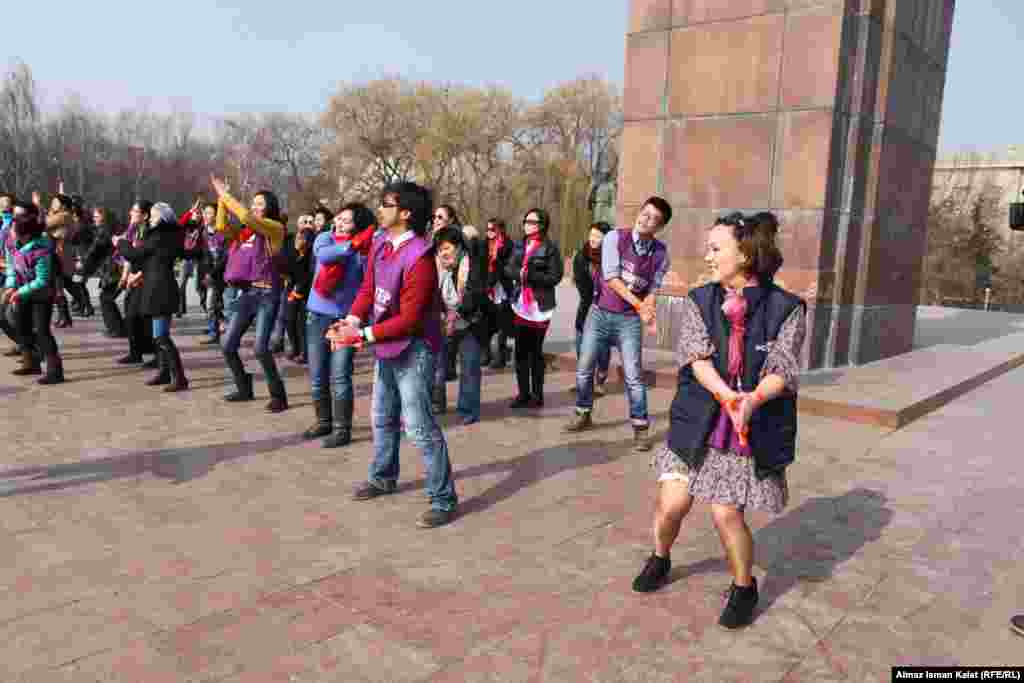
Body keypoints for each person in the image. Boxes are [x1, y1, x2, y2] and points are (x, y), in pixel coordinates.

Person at [631, 211, 805, 631]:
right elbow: (696, 357)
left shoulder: (786, 308)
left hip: (744, 425)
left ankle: (744, 587)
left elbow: (782, 368)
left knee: (726, 514)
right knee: (671, 505)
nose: (707, 257)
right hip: (698, 415)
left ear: (744, 254)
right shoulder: (700, 300)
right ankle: (660, 556)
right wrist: (727, 396)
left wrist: (751, 400)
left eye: (715, 248)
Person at [328, 181, 457, 528]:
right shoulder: (381, 243)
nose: (380, 209)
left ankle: (443, 498)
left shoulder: (421, 258)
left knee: (418, 426)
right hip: (387, 343)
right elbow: (368, 289)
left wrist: (361, 335)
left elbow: (410, 319)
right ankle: (383, 476)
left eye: (386, 204)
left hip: (415, 348)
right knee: (382, 417)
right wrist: (351, 321)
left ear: (406, 213)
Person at [565, 198, 673, 453]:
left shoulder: (661, 254)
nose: (645, 220)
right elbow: (612, 278)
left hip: (628, 321)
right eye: (644, 213)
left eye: (653, 219)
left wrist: (648, 308)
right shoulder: (615, 238)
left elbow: (653, 287)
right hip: (599, 313)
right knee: (584, 368)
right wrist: (640, 305)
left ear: (660, 227)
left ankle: (640, 427)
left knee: (634, 375)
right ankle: (583, 411)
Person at [211, 176, 289, 412]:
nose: (255, 206)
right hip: (248, 292)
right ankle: (243, 386)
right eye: (253, 203)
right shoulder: (247, 233)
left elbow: (245, 216)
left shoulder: (275, 228)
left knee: (260, 348)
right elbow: (221, 227)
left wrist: (225, 195)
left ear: (270, 207)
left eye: (260, 203)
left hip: (268, 293)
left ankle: (278, 396)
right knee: (227, 344)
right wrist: (221, 201)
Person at [303, 203, 375, 447]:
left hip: (346, 319)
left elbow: (368, 282)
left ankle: (342, 429)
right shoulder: (325, 238)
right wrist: (351, 245)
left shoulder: (365, 250)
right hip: (317, 315)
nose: (340, 223)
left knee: (341, 375)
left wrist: (359, 248)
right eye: (339, 218)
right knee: (317, 374)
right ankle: (323, 421)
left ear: (358, 225)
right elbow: (324, 256)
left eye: (347, 220)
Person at [113, 203, 189, 391]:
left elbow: (134, 255)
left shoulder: (158, 236)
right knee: (159, 336)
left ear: (161, 218)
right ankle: (164, 372)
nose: (151, 219)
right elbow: (151, 261)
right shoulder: (167, 235)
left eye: (154, 216)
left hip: (160, 291)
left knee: (162, 337)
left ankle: (179, 377)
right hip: (160, 288)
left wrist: (120, 243)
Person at [505, 208, 563, 409]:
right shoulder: (519, 245)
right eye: (526, 221)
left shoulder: (550, 248)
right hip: (520, 304)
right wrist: (518, 274)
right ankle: (523, 394)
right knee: (520, 351)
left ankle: (537, 395)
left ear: (542, 225)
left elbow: (554, 277)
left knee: (535, 351)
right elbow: (509, 268)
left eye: (532, 222)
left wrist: (529, 275)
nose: (527, 225)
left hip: (540, 306)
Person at [4, 202, 64, 384]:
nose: (10, 232)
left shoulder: (41, 250)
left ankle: (55, 371)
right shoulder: (14, 245)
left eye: (13, 229)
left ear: (25, 232)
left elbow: (42, 280)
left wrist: (19, 292)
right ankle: (30, 362)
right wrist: (11, 286)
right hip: (23, 292)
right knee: (21, 327)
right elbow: (12, 268)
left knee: (42, 330)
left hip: (41, 295)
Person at [435, 225, 488, 424]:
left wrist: (456, 313)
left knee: (469, 366)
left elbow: (475, 293)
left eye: (447, 248)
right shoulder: (440, 267)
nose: (443, 253)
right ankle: (435, 402)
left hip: (471, 321)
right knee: (437, 365)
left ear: (458, 247)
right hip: (445, 321)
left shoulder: (473, 263)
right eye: (440, 249)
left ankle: (468, 409)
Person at [571, 221, 614, 396]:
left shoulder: (612, 257)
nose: (593, 239)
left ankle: (601, 379)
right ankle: (585, 382)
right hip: (587, 307)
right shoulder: (581, 257)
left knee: (602, 349)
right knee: (581, 346)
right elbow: (582, 287)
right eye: (591, 235)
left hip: (606, 310)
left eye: (597, 236)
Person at [117, 200, 158, 367]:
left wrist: (138, 275)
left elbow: (150, 258)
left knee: (146, 318)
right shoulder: (134, 230)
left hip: (146, 279)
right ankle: (135, 352)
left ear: (145, 215)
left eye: (135, 211)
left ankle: (157, 355)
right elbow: (129, 256)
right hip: (135, 279)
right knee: (131, 316)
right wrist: (125, 276)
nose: (131, 213)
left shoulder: (150, 233)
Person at [79, 207, 126, 338]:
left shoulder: (104, 231)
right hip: (114, 268)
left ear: (103, 217)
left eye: (97, 216)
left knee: (106, 298)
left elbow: (95, 250)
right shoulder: (110, 228)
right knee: (107, 298)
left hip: (113, 269)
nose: (94, 219)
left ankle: (116, 329)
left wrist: (82, 263)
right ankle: (118, 328)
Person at [483, 217, 513, 369]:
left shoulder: (507, 245)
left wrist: (496, 258)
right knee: (487, 323)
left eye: (492, 229)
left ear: (500, 230)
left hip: (501, 288)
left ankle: (500, 357)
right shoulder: (485, 244)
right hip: (488, 287)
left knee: (502, 325)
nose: (489, 232)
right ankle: (486, 354)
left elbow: (504, 267)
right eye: (487, 229)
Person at [196, 202, 227, 345]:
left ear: (217, 216)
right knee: (206, 301)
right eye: (205, 213)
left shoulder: (222, 233)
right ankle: (217, 325)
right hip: (204, 272)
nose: (206, 216)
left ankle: (215, 332)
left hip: (217, 274)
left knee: (211, 303)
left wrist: (212, 273)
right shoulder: (202, 231)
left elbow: (225, 257)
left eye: (210, 213)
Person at [0, 193, 22, 354]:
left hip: (13, 274)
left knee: (9, 314)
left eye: (6, 203)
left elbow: (15, 254)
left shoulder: (14, 225)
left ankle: (30, 346)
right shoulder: (3, 224)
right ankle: (26, 345)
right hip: (5, 272)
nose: (2, 206)